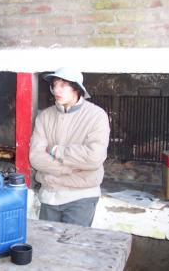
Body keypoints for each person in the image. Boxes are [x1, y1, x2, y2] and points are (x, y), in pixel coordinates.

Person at [29, 67, 110, 227]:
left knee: (72, 249)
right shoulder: (44, 116)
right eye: (54, 85)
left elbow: (94, 158)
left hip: (81, 197)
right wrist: (70, 168)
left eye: (63, 85)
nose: (57, 90)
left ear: (77, 88)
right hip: (49, 196)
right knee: (48, 248)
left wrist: (54, 151)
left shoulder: (96, 115)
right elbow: (36, 158)